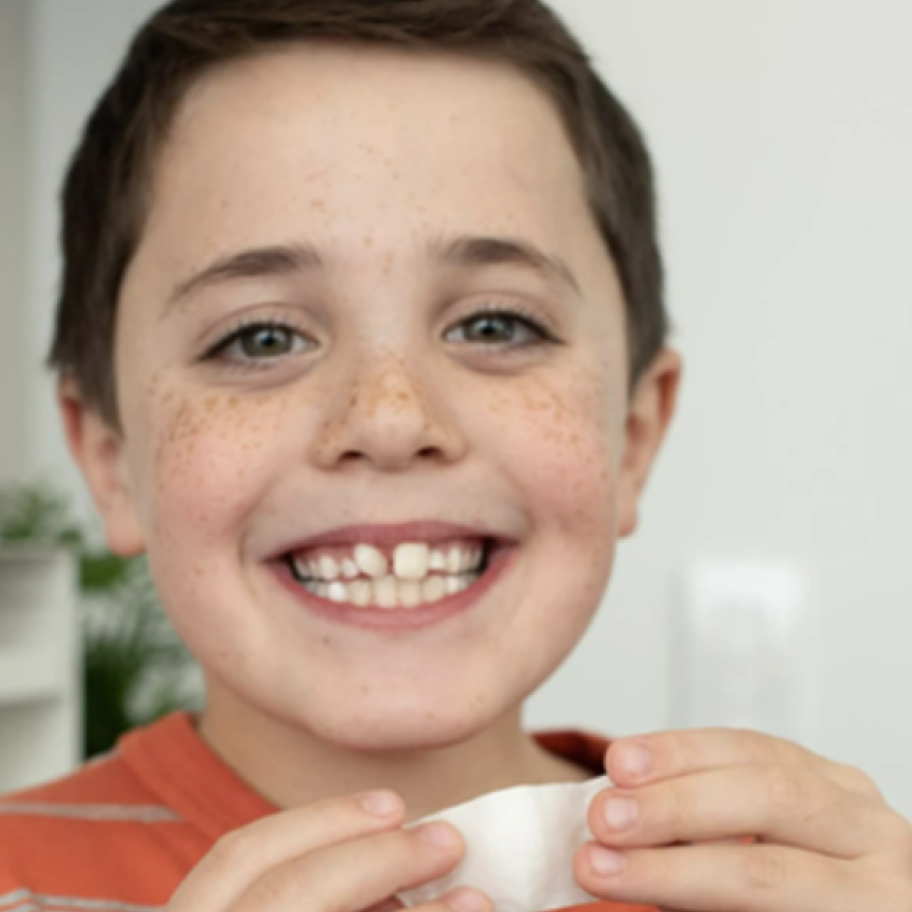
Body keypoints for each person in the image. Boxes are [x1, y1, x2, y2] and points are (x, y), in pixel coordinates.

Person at [1, 1, 910, 910]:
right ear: (112, 458)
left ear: (631, 437)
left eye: (494, 324)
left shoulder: (804, 886)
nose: (391, 417)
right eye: (263, 339)